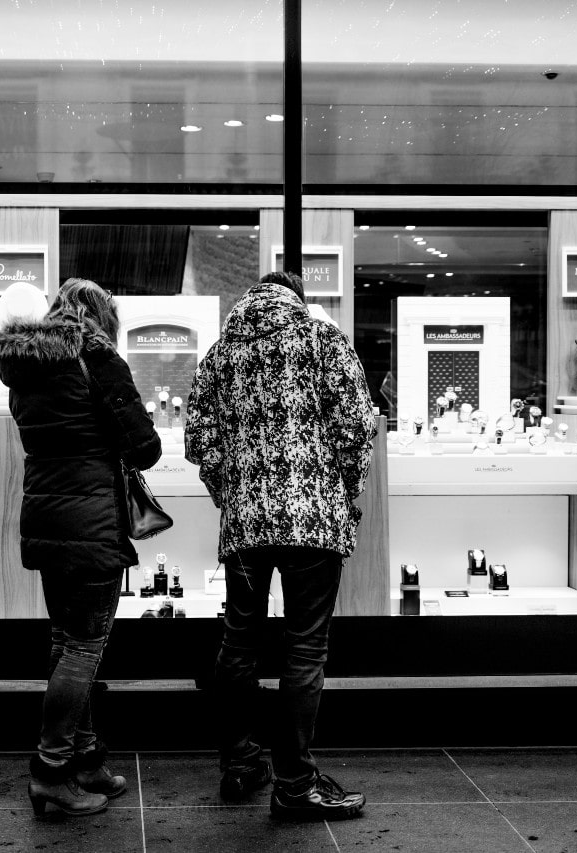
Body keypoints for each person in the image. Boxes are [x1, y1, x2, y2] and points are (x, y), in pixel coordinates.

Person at [185, 270, 378, 821]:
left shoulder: (222, 353)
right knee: (305, 646)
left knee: (239, 640)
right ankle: (295, 782)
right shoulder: (322, 340)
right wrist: (346, 491)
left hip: (246, 528)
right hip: (313, 523)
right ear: (296, 299)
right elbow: (355, 426)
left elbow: (199, 438)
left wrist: (231, 492)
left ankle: (240, 761)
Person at [0, 277, 162, 818]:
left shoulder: (27, 364)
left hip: (44, 517)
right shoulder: (98, 357)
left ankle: (84, 761)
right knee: (84, 647)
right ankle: (50, 772)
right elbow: (146, 448)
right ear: (102, 316)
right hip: (91, 524)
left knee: (67, 642)